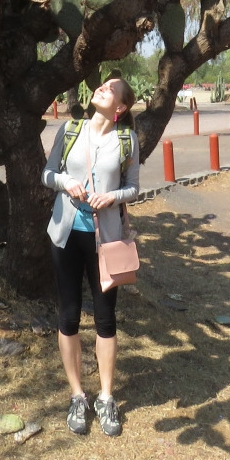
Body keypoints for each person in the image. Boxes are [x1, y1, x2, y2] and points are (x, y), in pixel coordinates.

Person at [41, 77, 141, 437]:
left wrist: (112, 196)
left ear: (120, 108)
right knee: (68, 316)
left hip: (107, 242)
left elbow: (135, 186)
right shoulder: (69, 130)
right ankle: (77, 395)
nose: (102, 87)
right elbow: (47, 173)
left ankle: (106, 397)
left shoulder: (127, 140)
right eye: (102, 84)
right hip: (66, 234)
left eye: (111, 89)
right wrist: (64, 183)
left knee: (105, 319)